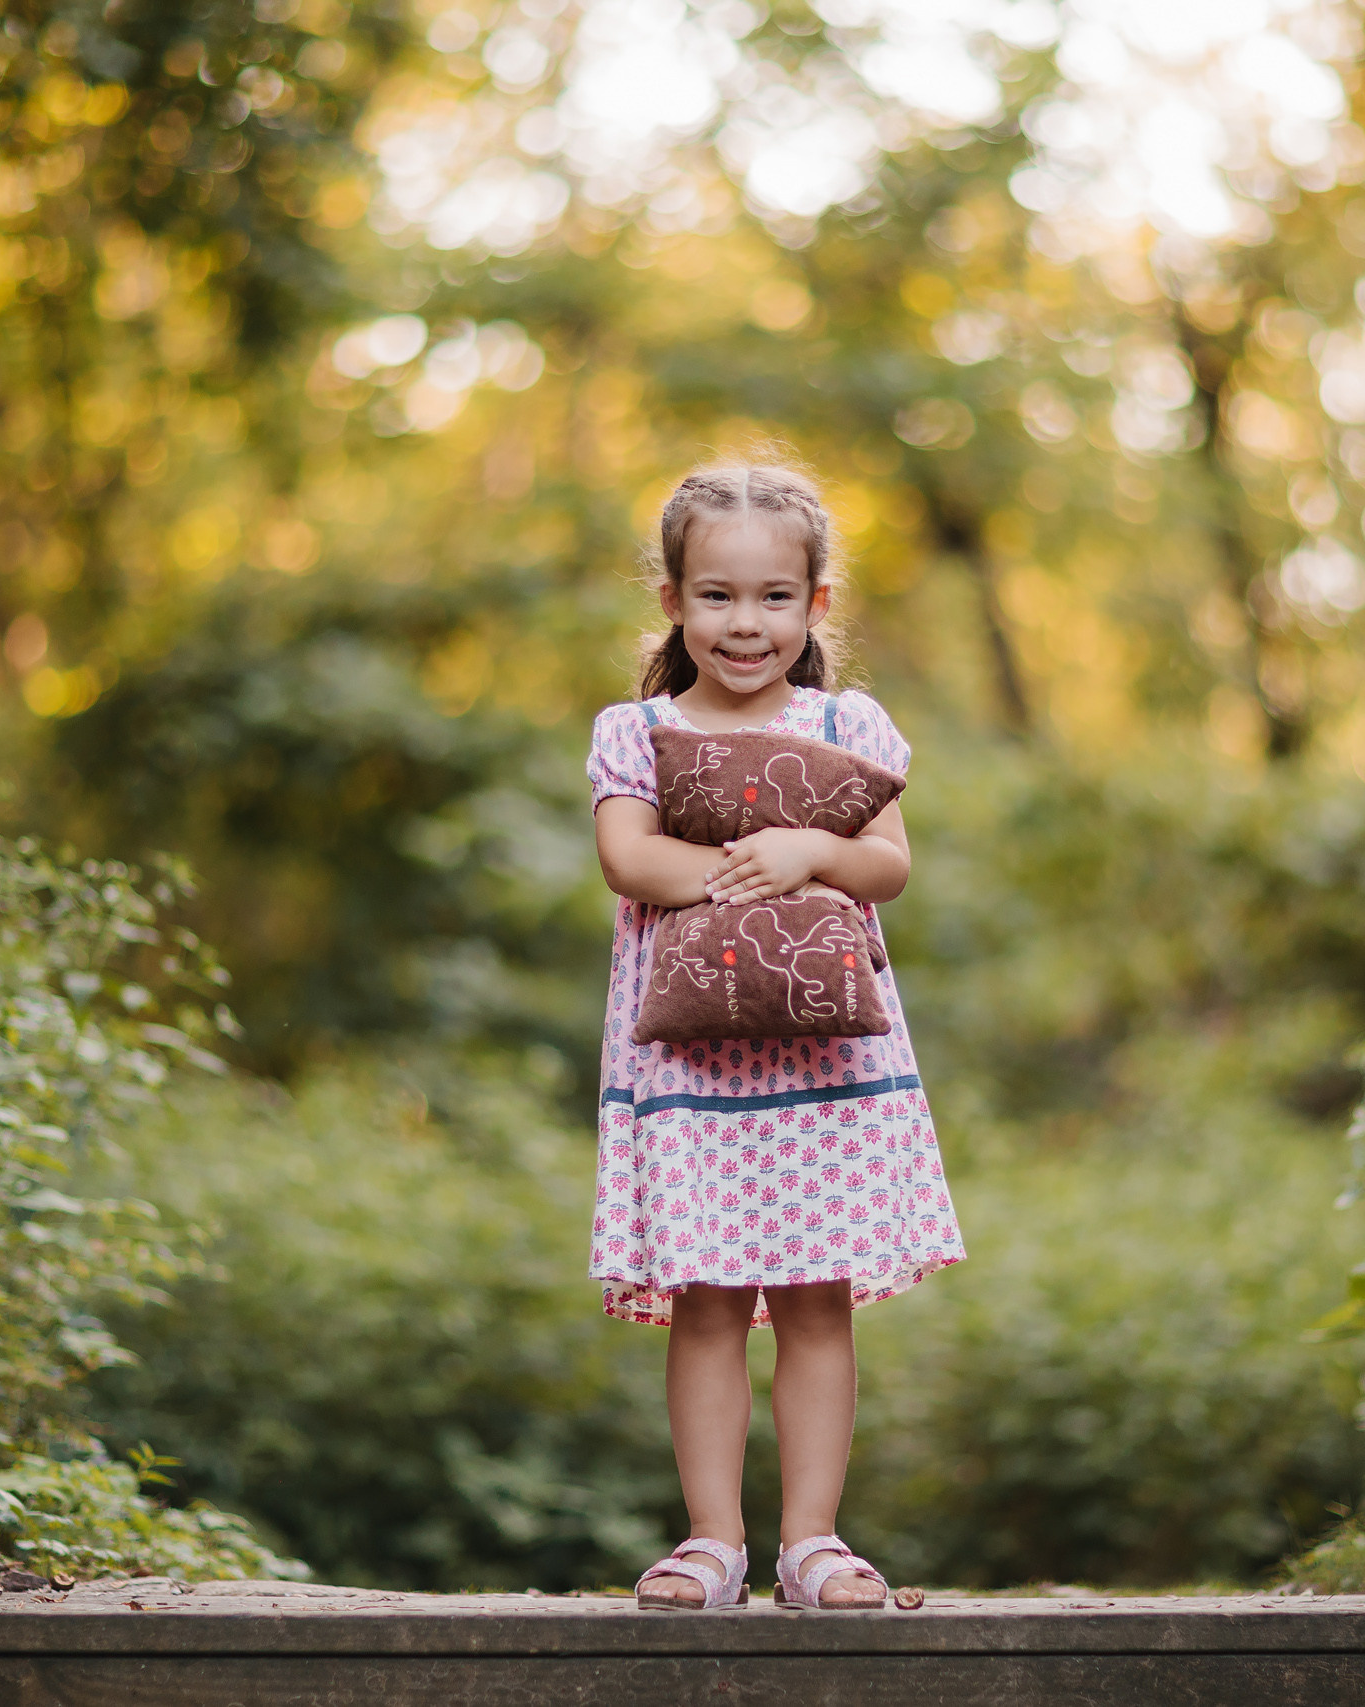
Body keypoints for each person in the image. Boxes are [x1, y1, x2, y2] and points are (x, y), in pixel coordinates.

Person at [585, 458, 965, 1613]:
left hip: (826, 1075)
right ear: (672, 599)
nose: (743, 624)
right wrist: (739, 874)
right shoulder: (637, 728)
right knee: (703, 1299)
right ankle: (711, 1542)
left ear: (815, 606)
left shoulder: (848, 723)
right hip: (690, 1067)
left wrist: (808, 853)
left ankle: (811, 1543)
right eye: (715, 595)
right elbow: (628, 857)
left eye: (771, 598)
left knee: (813, 1300)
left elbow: (887, 865)